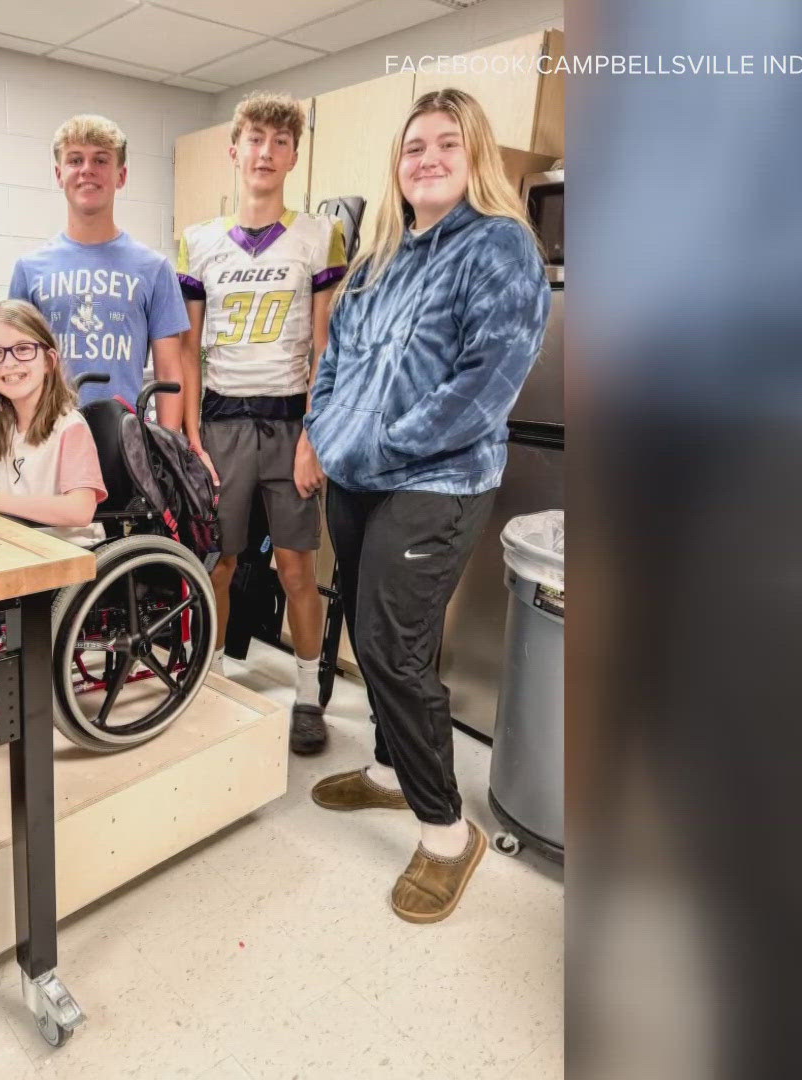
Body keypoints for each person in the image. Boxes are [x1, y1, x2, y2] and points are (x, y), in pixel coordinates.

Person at [304, 89, 549, 924]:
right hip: (357, 477)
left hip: (438, 482)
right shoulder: (379, 258)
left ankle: (447, 830)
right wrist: (328, 431)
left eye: (449, 143)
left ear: (475, 154)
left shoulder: (500, 248)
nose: (429, 157)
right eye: (414, 146)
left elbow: (484, 386)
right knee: (375, 636)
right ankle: (384, 768)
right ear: (398, 164)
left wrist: (373, 446)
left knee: (390, 645)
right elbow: (333, 362)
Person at [176, 92, 347, 755]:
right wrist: (191, 436)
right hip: (221, 424)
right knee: (219, 563)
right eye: (255, 139)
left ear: (294, 157)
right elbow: (187, 348)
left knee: (297, 569)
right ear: (234, 150)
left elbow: (325, 346)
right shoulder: (199, 241)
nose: (266, 153)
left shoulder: (318, 236)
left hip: (288, 425)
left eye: (280, 143)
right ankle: (211, 678)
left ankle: (308, 695)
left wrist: (315, 435)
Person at [10, 115, 190, 433]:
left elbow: (169, 370)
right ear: (58, 174)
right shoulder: (29, 269)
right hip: (50, 439)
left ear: (121, 176)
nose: (87, 170)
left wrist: (169, 449)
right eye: (75, 160)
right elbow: (17, 366)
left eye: (101, 160)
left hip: (124, 443)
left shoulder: (155, 269)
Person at [0, 300, 105, 548]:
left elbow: (79, 511)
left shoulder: (70, 427)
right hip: (17, 546)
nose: (9, 362)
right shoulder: (0, 425)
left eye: (23, 349)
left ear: (49, 361)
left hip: (69, 554)